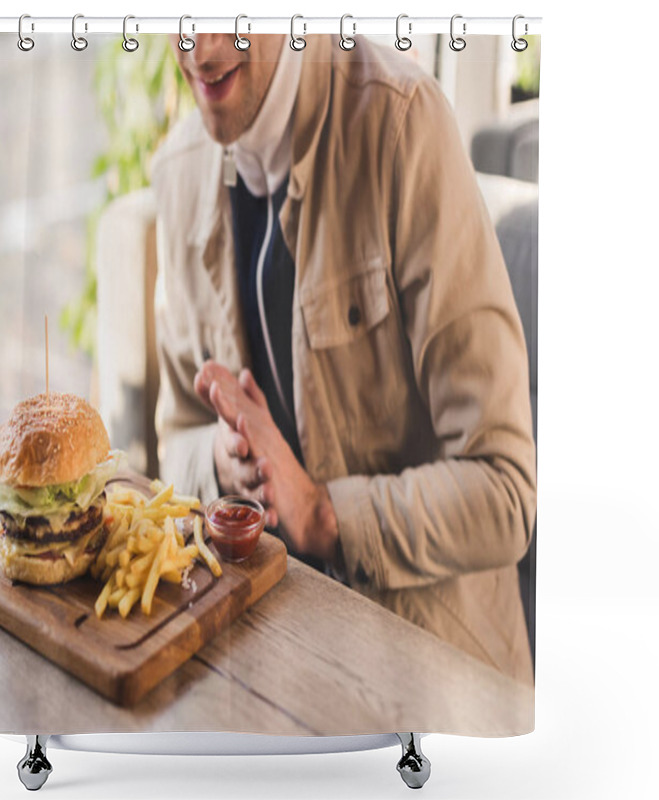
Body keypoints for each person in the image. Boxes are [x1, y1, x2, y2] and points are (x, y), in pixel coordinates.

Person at [149, 33, 536, 684]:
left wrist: (322, 513)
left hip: (431, 680)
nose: (204, 48)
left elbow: (506, 494)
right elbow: (172, 442)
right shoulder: (178, 170)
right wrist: (219, 463)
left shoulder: (405, 122)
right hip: (263, 661)